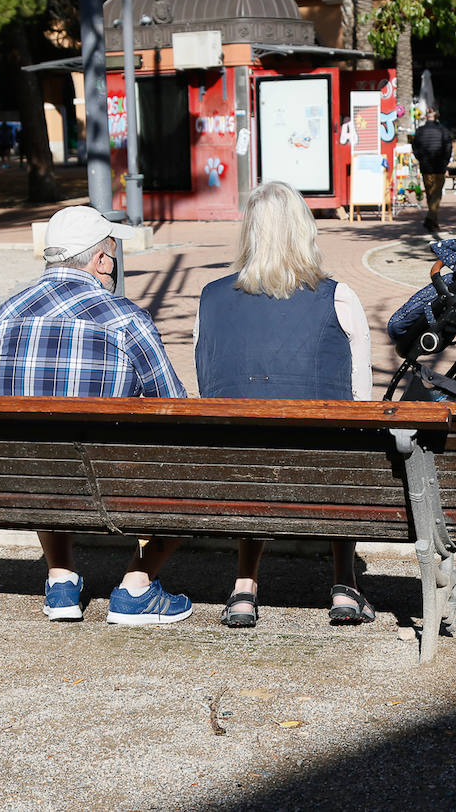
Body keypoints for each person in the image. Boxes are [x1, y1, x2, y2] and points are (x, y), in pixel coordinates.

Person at [0, 205, 193, 625]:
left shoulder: (5, 315)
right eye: (113, 255)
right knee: (194, 460)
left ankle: (60, 578)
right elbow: (174, 406)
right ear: (100, 260)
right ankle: (136, 587)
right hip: (108, 482)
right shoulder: (125, 318)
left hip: (27, 479)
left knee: (44, 445)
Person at [194, 181, 376, 628]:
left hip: (238, 471)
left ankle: (244, 586)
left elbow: (209, 385)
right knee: (348, 442)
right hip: (323, 471)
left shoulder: (210, 299)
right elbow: (361, 400)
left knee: (248, 437)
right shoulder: (339, 297)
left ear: (249, 233)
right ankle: (344, 581)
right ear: (304, 231)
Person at [411, 108, 452, 233]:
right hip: (439, 167)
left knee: (430, 195)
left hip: (426, 167)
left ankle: (432, 221)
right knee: (436, 195)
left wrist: (421, 159)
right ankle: (431, 219)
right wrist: (445, 162)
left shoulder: (420, 131)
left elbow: (415, 147)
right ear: (437, 116)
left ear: (426, 116)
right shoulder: (443, 130)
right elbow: (448, 148)